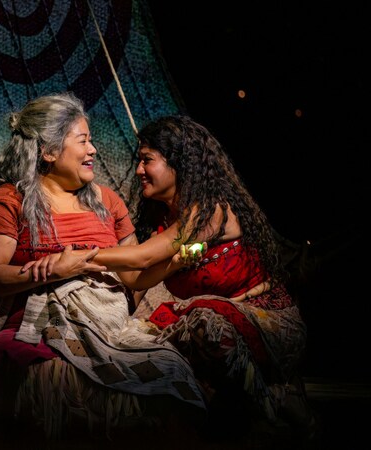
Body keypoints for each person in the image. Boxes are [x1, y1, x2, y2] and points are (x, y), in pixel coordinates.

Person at [23, 114, 313, 436]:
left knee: (205, 323)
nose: (138, 170)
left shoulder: (210, 211)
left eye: (147, 160)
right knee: (144, 341)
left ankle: (271, 410)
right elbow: (137, 278)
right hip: (218, 333)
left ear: (180, 164)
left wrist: (77, 256)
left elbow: (142, 256)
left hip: (268, 324)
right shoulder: (162, 221)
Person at [0, 93, 208, 441]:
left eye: (91, 141)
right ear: (48, 151)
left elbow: (134, 277)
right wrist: (55, 271)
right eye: (83, 140)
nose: (93, 150)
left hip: (107, 327)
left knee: (169, 367)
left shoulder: (108, 202)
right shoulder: (9, 202)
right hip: (38, 328)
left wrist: (172, 263)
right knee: (55, 379)